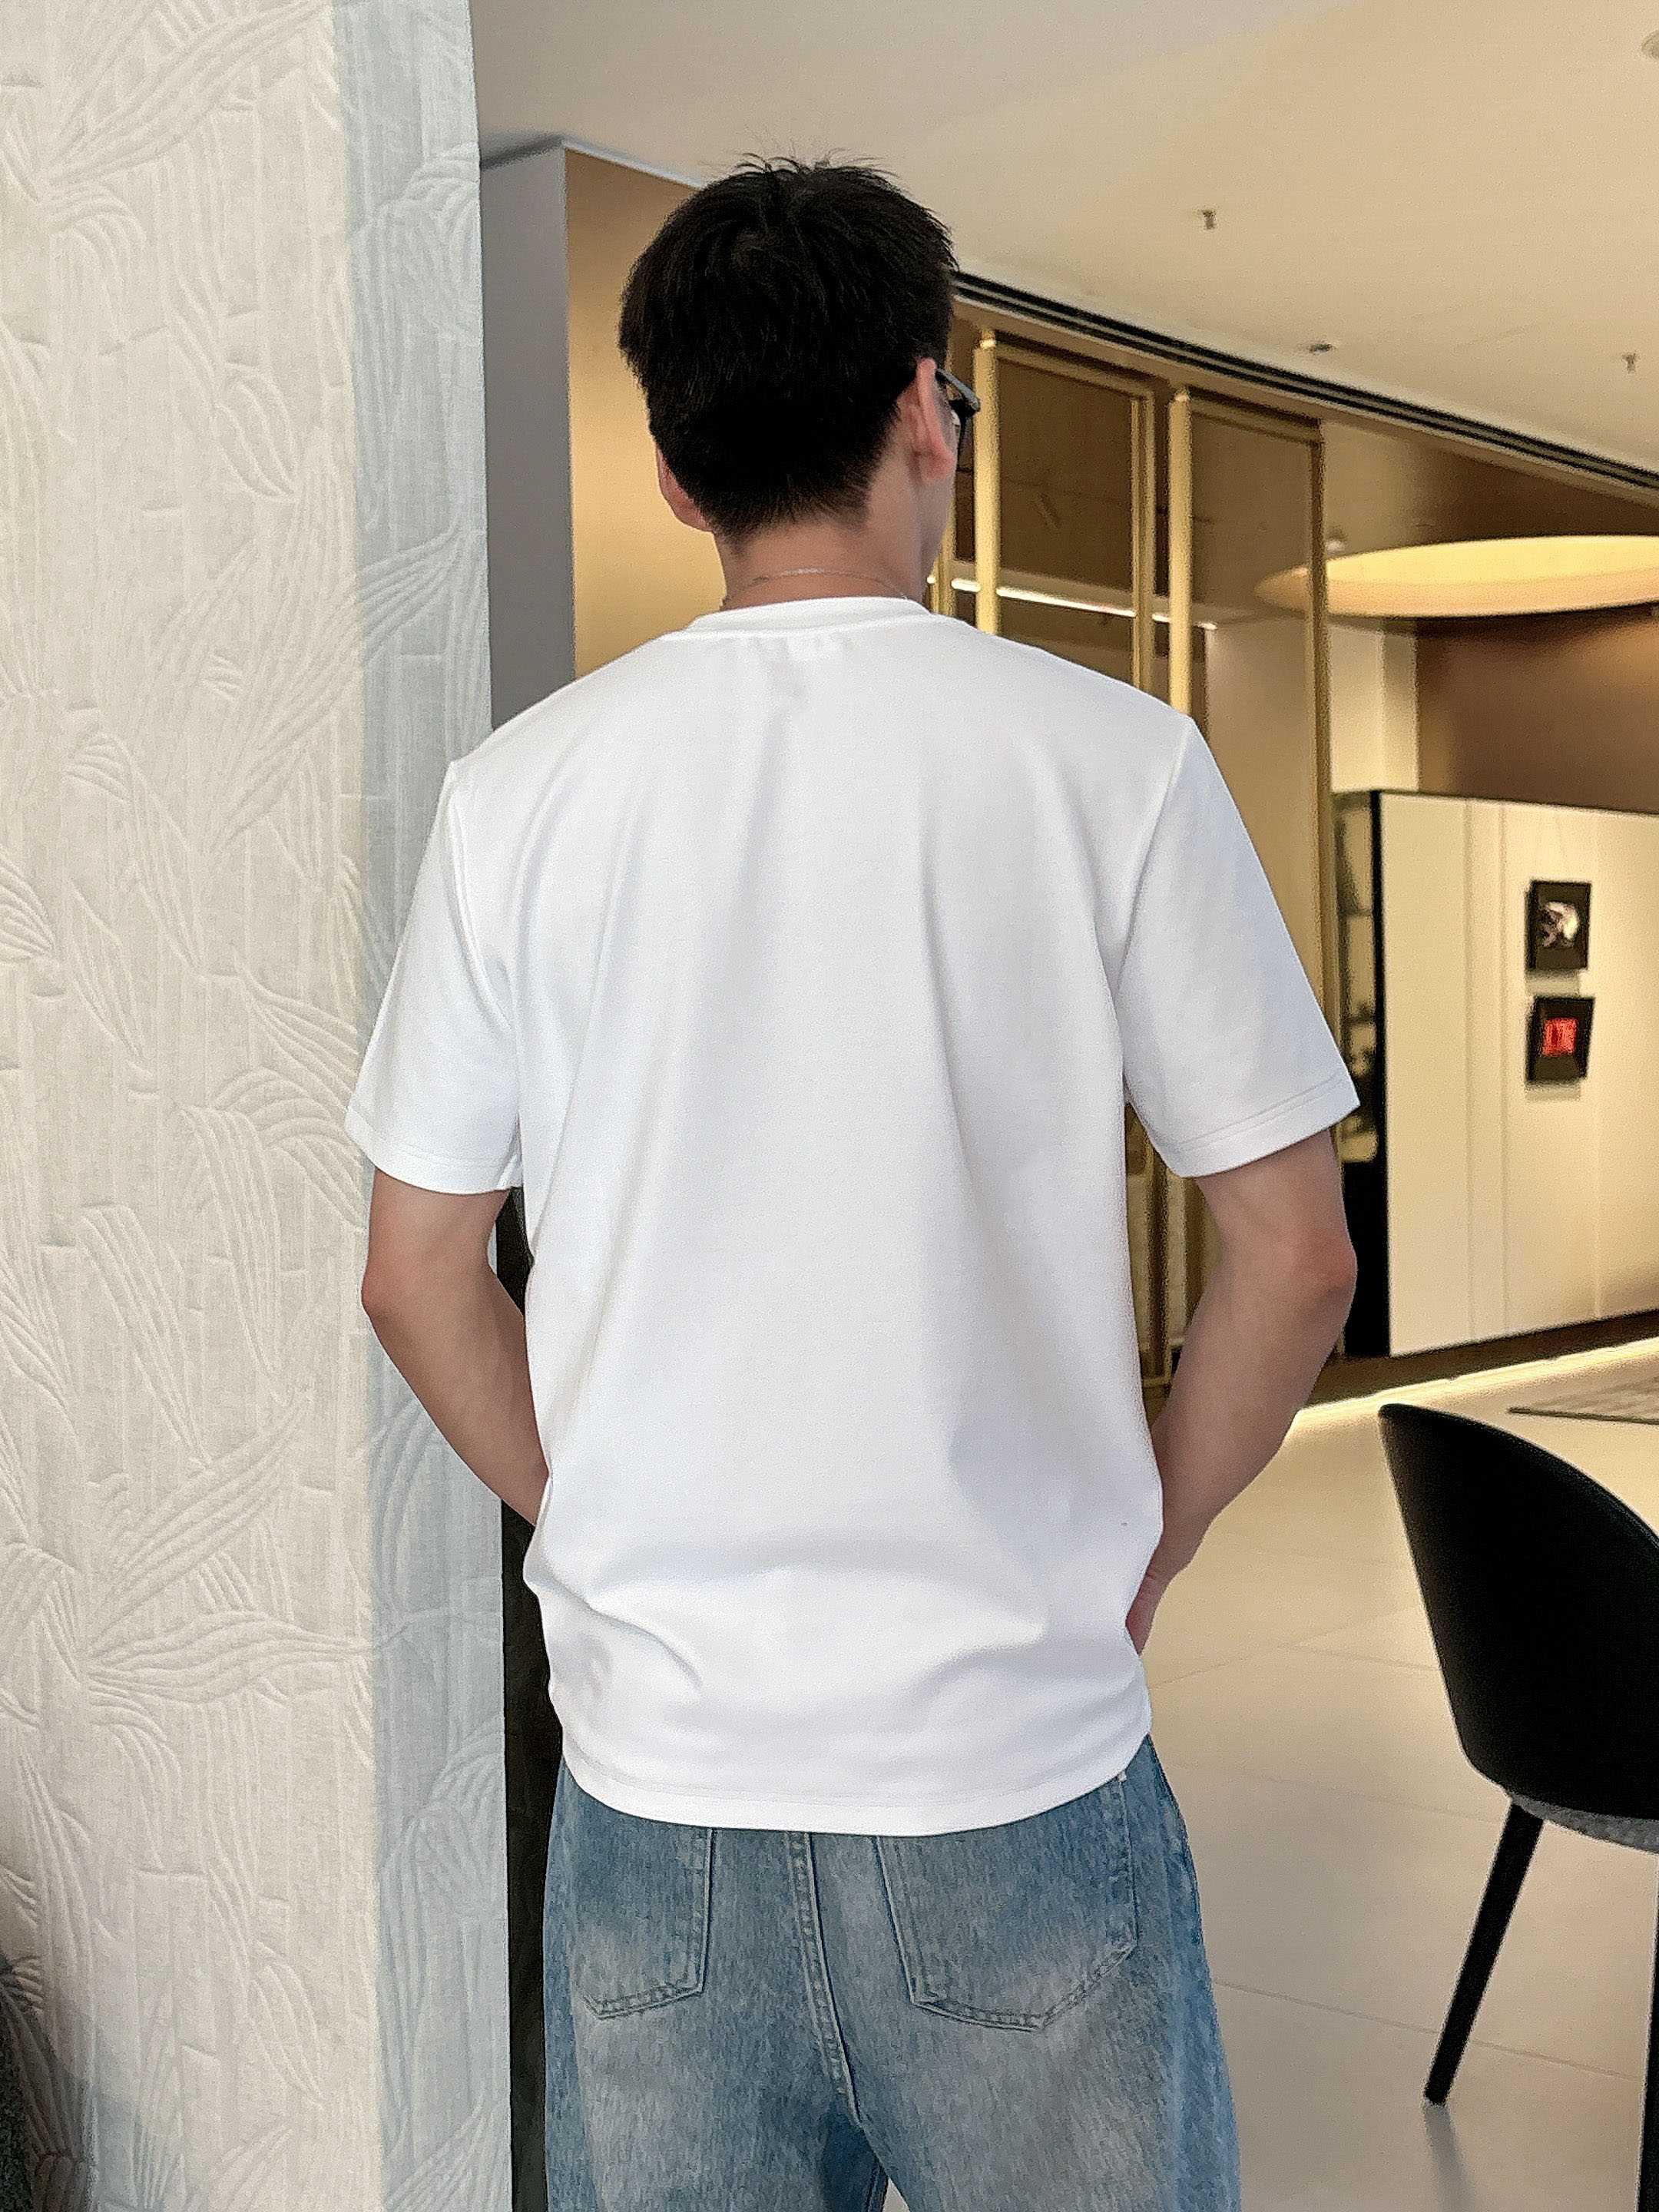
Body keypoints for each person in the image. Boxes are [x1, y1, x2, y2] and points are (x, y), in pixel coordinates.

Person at [347, 154, 1359, 2211]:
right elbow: (1295, 1254)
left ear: (671, 472)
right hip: (1016, 1775)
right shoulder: (1112, 762)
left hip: (657, 1812)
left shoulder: (517, 799)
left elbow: (415, 1269)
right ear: (924, 410)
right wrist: (1146, 1537)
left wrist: (589, 1505)